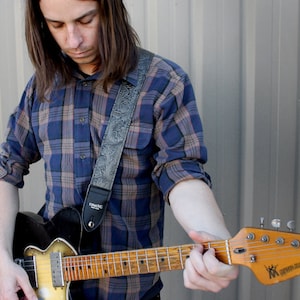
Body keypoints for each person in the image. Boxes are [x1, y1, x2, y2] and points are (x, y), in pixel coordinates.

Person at [0, 0, 238, 299]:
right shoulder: (42, 86)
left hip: (131, 292)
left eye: (86, 20)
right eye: (57, 25)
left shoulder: (163, 82)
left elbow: (181, 173)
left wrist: (215, 239)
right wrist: (2, 259)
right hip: (47, 288)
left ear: (110, 11)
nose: (72, 40)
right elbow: (6, 168)